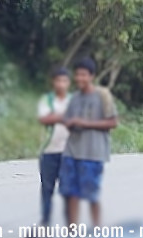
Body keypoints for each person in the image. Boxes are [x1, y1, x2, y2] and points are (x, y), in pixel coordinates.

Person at [59, 57, 118, 227]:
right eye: (77, 75)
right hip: (72, 151)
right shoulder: (75, 98)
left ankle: (97, 230)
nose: (80, 78)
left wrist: (85, 123)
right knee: (71, 194)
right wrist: (69, 122)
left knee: (92, 195)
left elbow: (113, 122)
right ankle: (73, 233)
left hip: (93, 153)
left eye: (84, 75)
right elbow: (68, 120)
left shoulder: (102, 96)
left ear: (91, 76)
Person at [37, 68, 72, 226]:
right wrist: (65, 117)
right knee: (47, 189)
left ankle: (71, 224)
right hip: (49, 151)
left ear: (68, 83)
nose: (61, 84)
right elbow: (44, 119)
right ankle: (46, 222)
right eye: (58, 80)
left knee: (68, 190)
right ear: (53, 82)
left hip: (69, 152)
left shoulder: (73, 100)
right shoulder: (47, 100)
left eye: (64, 81)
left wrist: (56, 117)